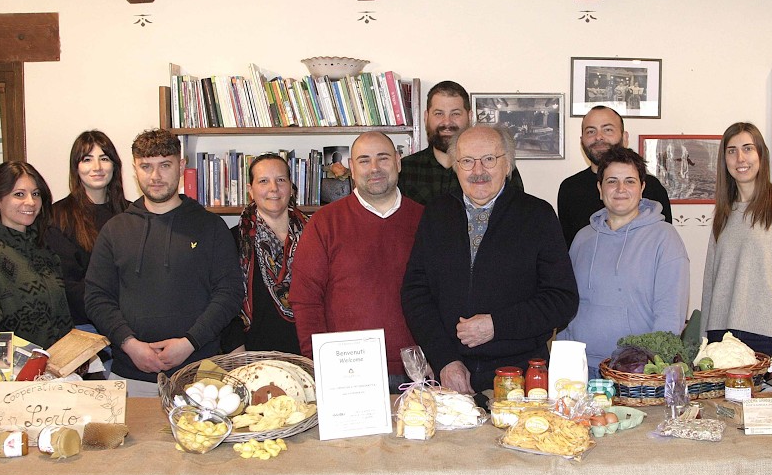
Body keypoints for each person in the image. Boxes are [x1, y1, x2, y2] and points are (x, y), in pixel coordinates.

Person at [401, 124, 578, 398]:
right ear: (455, 167)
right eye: (467, 161)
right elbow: (415, 293)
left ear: (508, 165)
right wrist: (445, 359)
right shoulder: (436, 214)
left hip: (520, 378)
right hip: (448, 376)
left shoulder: (538, 216)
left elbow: (562, 300)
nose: (478, 170)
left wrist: (497, 325)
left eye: (489, 159)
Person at [84, 129, 243, 397]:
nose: (155, 176)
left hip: (200, 375)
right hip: (130, 374)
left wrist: (190, 342)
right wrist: (130, 344)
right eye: (146, 166)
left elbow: (229, 293)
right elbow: (97, 297)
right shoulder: (115, 229)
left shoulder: (211, 227)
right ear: (135, 169)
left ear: (181, 166)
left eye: (165, 165)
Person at [290, 131, 425, 386]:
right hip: (347, 373)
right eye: (364, 160)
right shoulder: (324, 223)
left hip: (418, 370)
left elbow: (444, 297)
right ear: (351, 168)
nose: (374, 168)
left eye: (383, 158)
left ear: (398, 162)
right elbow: (306, 299)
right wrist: (317, 362)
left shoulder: (426, 220)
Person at [557, 146, 689, 378]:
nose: (620, 189)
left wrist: (651, 367)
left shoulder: (665, 238)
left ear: (642, 188)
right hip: (581, 368)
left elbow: (670, 315)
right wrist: (563, 356)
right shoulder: (582, 238)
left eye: (629, 181)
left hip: (634, 372)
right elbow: (568, 304)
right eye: (612, 181)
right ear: (600, 189)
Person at [701, 123, 772, 356]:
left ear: (761, 154)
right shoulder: (723, 213)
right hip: (720, 337)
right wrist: (704, 342)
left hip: (765, 338)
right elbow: (710, 282)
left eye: (748, 148)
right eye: (732, 151)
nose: (740, 158)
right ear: (724, 160)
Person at [0, 161, 73, 351]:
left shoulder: (44, 250)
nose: (31, 202)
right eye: (19, 194)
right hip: (13, 368)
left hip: (57, 365)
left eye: (36, 194)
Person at [221, 153, 309, 355]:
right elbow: (225, 302)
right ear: (250, 190)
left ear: (291, 187)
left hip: (310, 351)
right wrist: (238, 356)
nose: (273, 188)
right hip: (254, 356)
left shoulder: (316, 234)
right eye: (263, 181)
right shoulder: (232, 241)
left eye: (281, 180)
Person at [46, 131, 127, 337]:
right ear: (76, 167)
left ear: (114, 165)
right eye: (87, 159)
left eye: (104, 158)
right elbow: (67, 284)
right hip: (85, 327)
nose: (97, 167)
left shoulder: (132, 213)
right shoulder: (58, 216)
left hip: (131, 320)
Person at [557, 105, 672, 243]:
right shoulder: (570, 189)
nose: (598, 137)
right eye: (591, 131)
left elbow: (664, 241)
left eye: (608, 130)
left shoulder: (652, 187)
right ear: (582, 141)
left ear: (624, 137)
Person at [398, 80, 524, 207]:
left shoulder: (498, 166)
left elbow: (518, 212)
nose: (447, 122)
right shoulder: (405, 170)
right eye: (439, 113)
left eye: (455, 114)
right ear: (426, 117)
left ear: (470, 117)